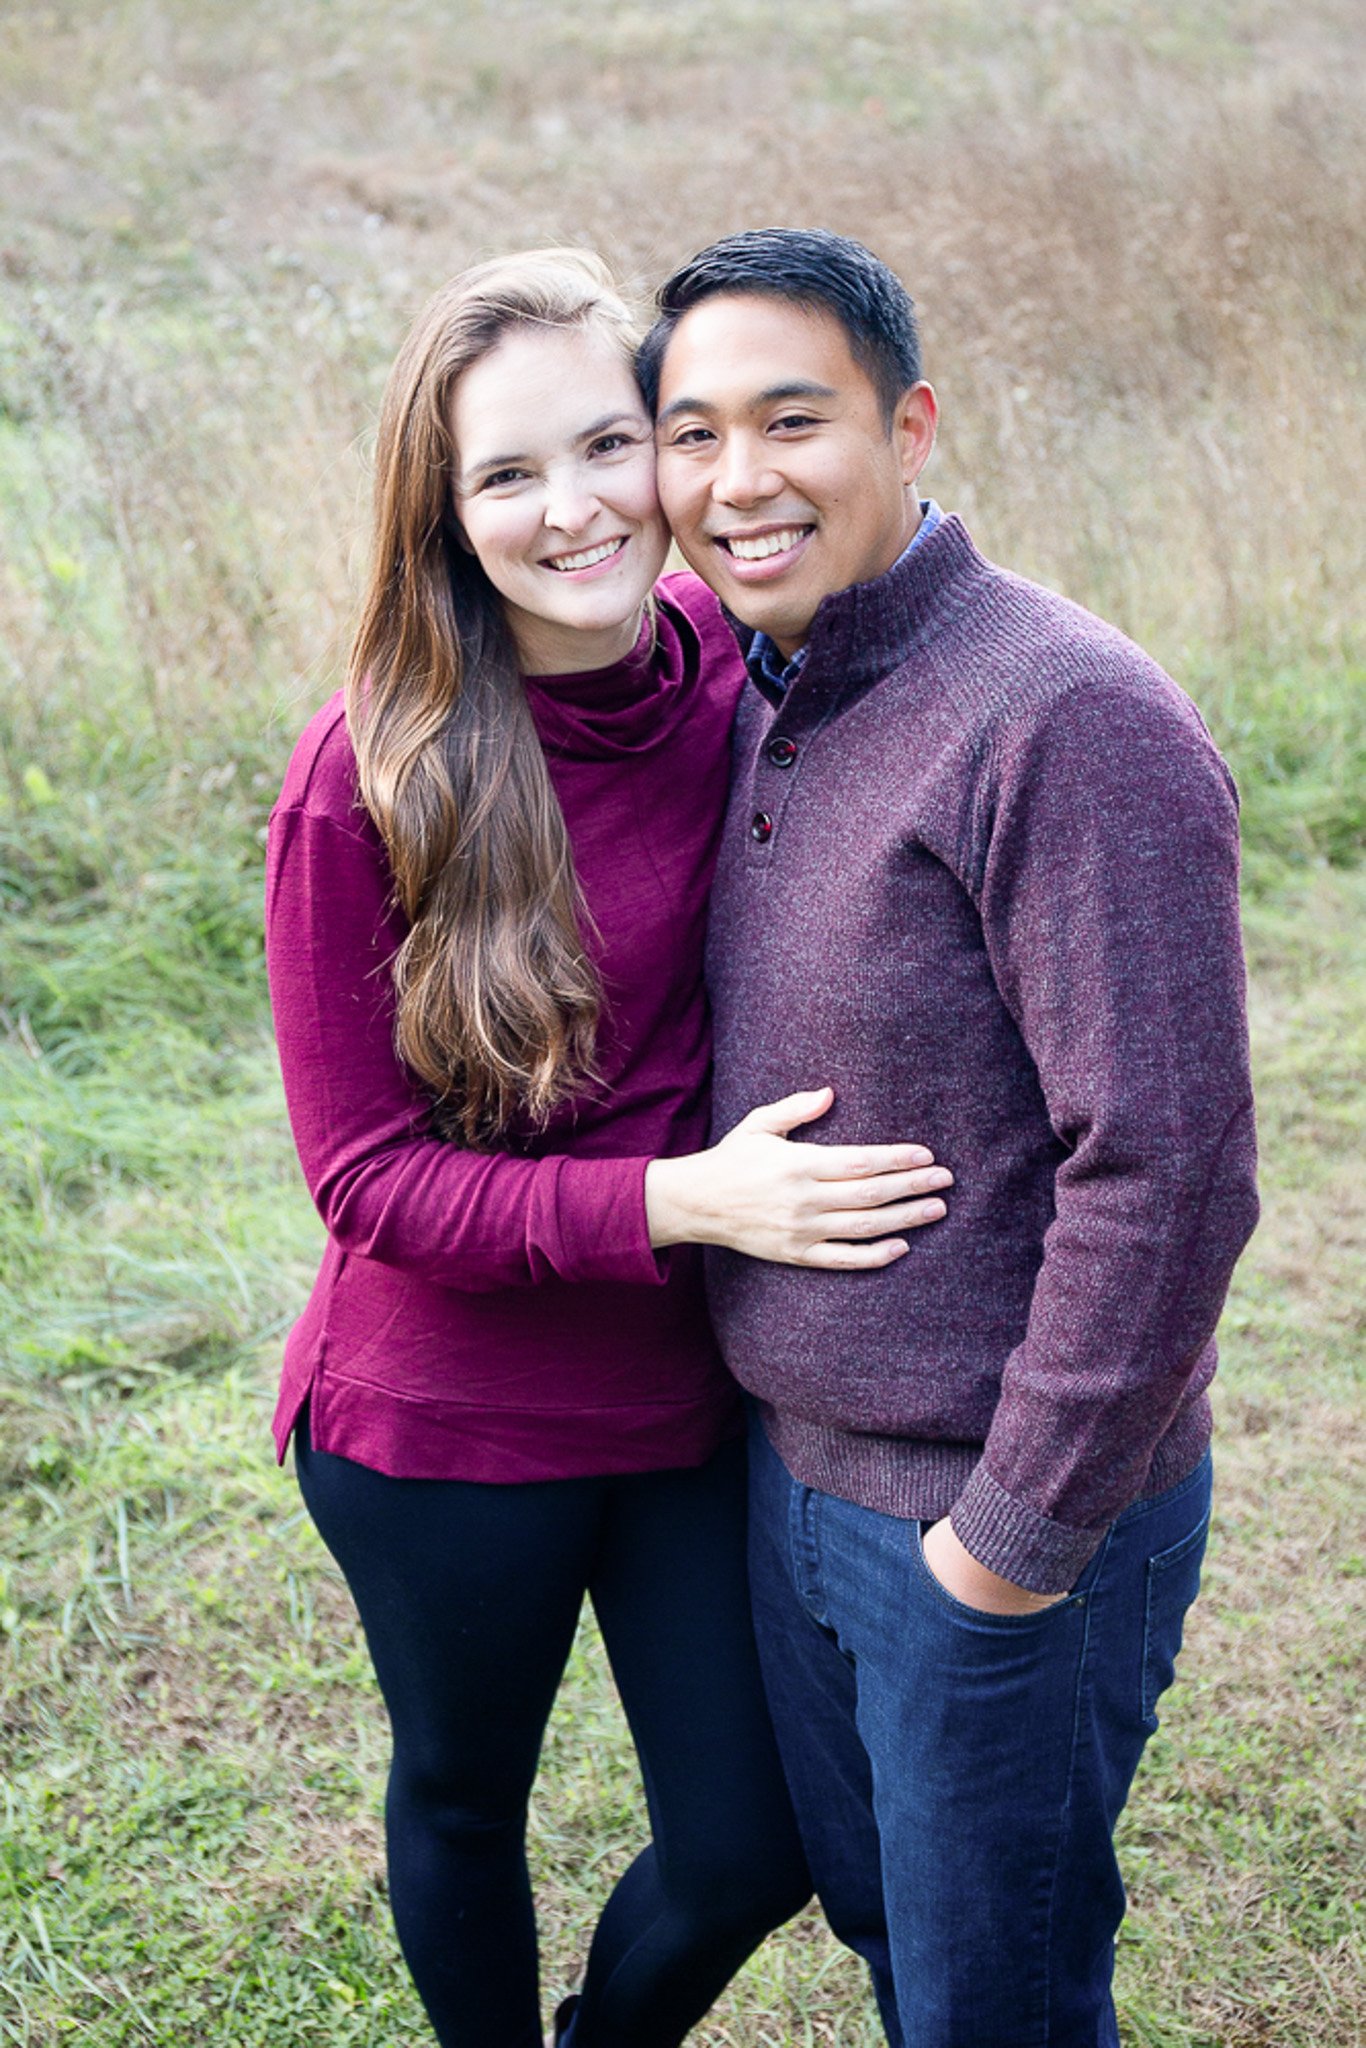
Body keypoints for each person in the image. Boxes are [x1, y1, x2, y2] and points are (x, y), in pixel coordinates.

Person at [264, 248, 955, 2048]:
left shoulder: (740, 677)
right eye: (506, 474)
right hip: (447, 1419)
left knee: (749, 1844)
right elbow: (362, 1183)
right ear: (443, 509)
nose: (571, 510)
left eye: (606, 445)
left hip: (686, 1394)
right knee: (463, 1796)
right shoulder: (373, 773)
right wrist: (686, 1199)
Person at [637, 227, 1261, 2048]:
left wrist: (1001, 1554)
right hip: (796, 1483)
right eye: (689, 435)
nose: (737, 481)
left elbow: (1169, 1171)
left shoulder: (1061, 717)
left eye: (790, 420)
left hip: (989, 1522)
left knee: (996, 2003)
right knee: (904, 1951)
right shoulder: (762, 683)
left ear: (910, 428)